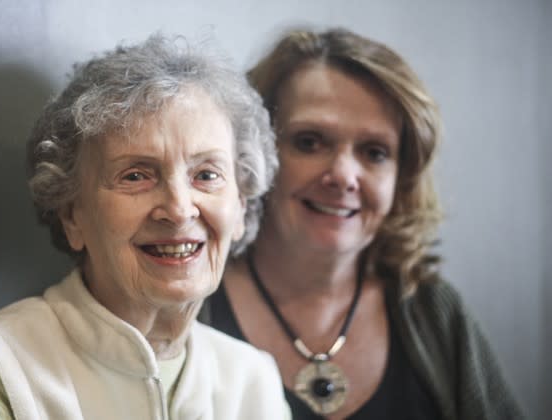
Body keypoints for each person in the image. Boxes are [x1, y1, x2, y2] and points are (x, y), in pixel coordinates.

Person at [0, 34, 290, 419]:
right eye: (135, 176)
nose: (179, 210)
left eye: (207, 174)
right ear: (71, 215)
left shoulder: (253, 380)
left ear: (241, 209)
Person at [205, 28, 524, 420]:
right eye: (310, 141)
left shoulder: (433, 313)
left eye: (374, 152)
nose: (343, 175)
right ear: (252, 154)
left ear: (402, 177)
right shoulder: (187, 303)